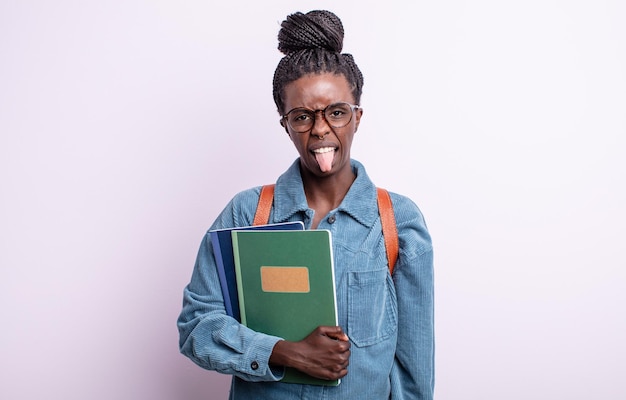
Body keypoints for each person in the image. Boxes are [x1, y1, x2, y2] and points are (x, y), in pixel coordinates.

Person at [177, 10, 434, 399]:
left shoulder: (398, 222)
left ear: (357, 117)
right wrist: (284, 352)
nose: (320, 129)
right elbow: (197, 325)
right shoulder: (248, 213)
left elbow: (414, 370)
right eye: (302, 116)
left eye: (336, 112)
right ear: (285, 123)